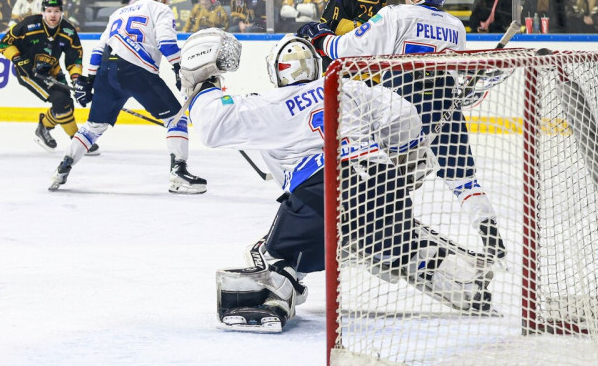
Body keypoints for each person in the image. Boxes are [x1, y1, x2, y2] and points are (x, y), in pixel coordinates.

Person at [177, 29, 495, 332]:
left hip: (323, 190)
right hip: (383, 180)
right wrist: (403, 160)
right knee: (394, 246)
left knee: (270, 254)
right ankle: (465, 285)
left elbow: (215, 124)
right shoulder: (350, 88)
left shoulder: (272, 103)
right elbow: (405, 117)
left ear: (277, 72)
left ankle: (274, 299)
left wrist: (201, 82)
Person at [296, 0, 507, 264]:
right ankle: (492, 237)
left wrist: (320, 38)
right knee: (463, 180)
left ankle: (363, 230)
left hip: (397, 106)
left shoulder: (396, 14)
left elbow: (348, 50)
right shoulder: (456, 26)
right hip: (443, 105)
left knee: (374, 173)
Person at [48, 0, 206, 195]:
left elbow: (99, 49)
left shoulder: (118, 13)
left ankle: (63, 167)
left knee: (94, 126)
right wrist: (180, 69)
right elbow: (166, 42)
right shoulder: (160, 10)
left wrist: (89, 80)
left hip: (106, 71)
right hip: (136, 70)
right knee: (176, 118)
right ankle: (178, 174)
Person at [0, 0, 96, 154]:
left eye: (56, 11)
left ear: (61, 12)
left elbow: (74, 60)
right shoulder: (28, 25)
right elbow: (4, 43)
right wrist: (17, 58)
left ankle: (43, 127)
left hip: (53, 70)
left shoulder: (68, 31)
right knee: (60, 100)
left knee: (67, 104)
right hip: (28, 73)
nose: (53, 15)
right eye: (49, 11)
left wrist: (76, 79)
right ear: (43, 12)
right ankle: (79, 141)